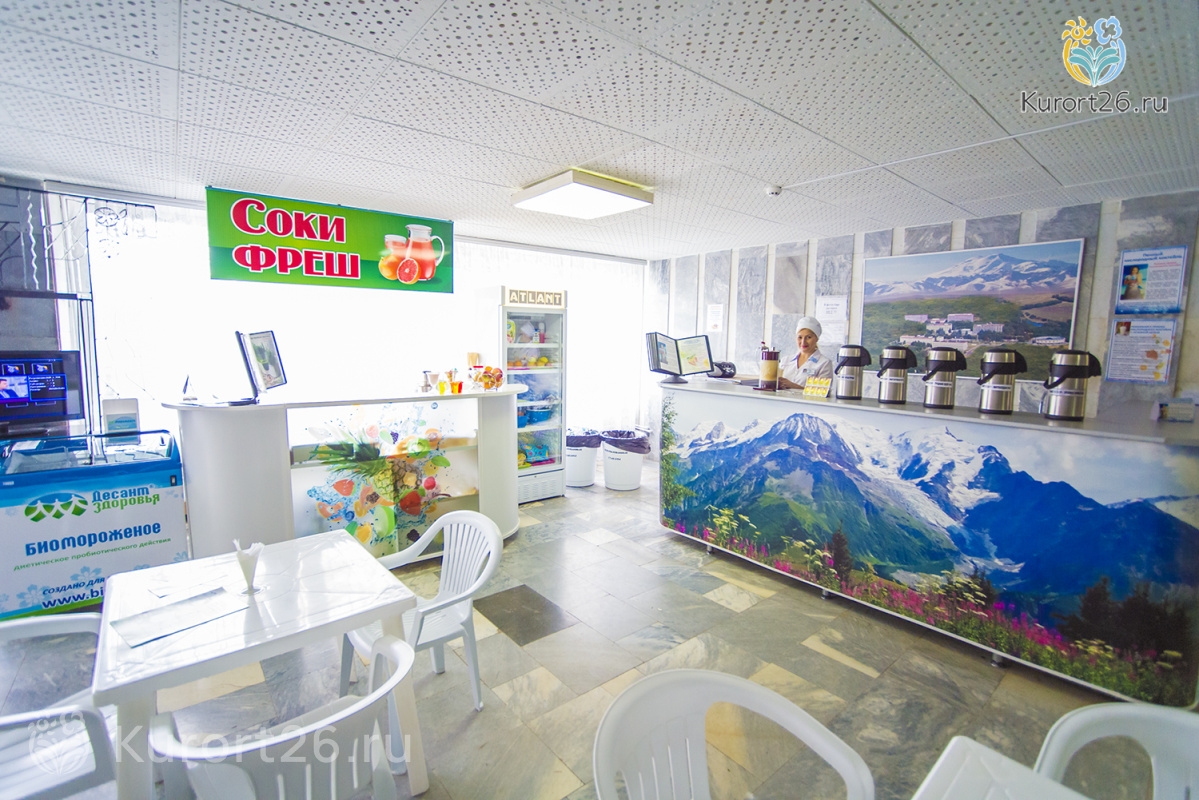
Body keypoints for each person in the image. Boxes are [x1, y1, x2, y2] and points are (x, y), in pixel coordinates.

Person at [779, 316, 833, 389]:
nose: (803, 342)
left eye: (808, 337)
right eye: (800, 337)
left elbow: (822, 391)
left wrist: (794, 386)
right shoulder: (786, 360)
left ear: (816, 338)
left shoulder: (824, 363)